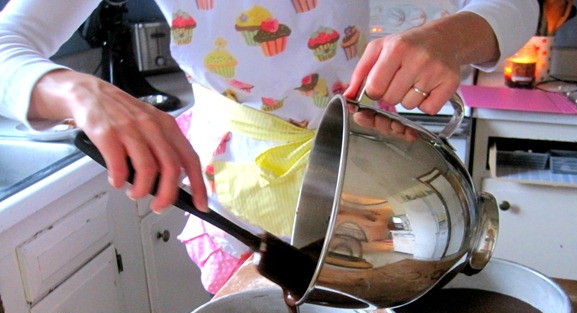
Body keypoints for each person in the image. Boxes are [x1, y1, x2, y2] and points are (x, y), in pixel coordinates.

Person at [0, 0, 539, 294]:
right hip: (240, 193)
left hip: (377, 178)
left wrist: (450, 36)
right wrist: (77, 90)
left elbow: (519, 6)